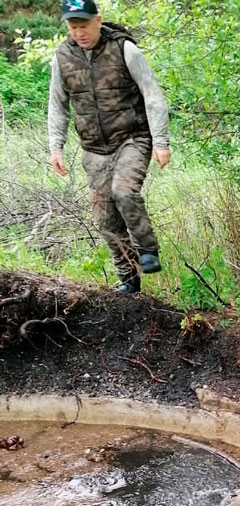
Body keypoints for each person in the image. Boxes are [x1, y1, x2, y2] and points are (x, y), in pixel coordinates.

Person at [48, 0, 170, 294]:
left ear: (98, 20)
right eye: (73, 27)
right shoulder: (62, 57)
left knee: (124, 192)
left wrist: (161, 141)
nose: (80, 33)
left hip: (133, 137)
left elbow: (152, 95)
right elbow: (58, 105)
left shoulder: (125, 49)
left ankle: (148, 250)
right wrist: (56, 147)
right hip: (93, 148)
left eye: (84, 25)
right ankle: (129, 280)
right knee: (105, 217)